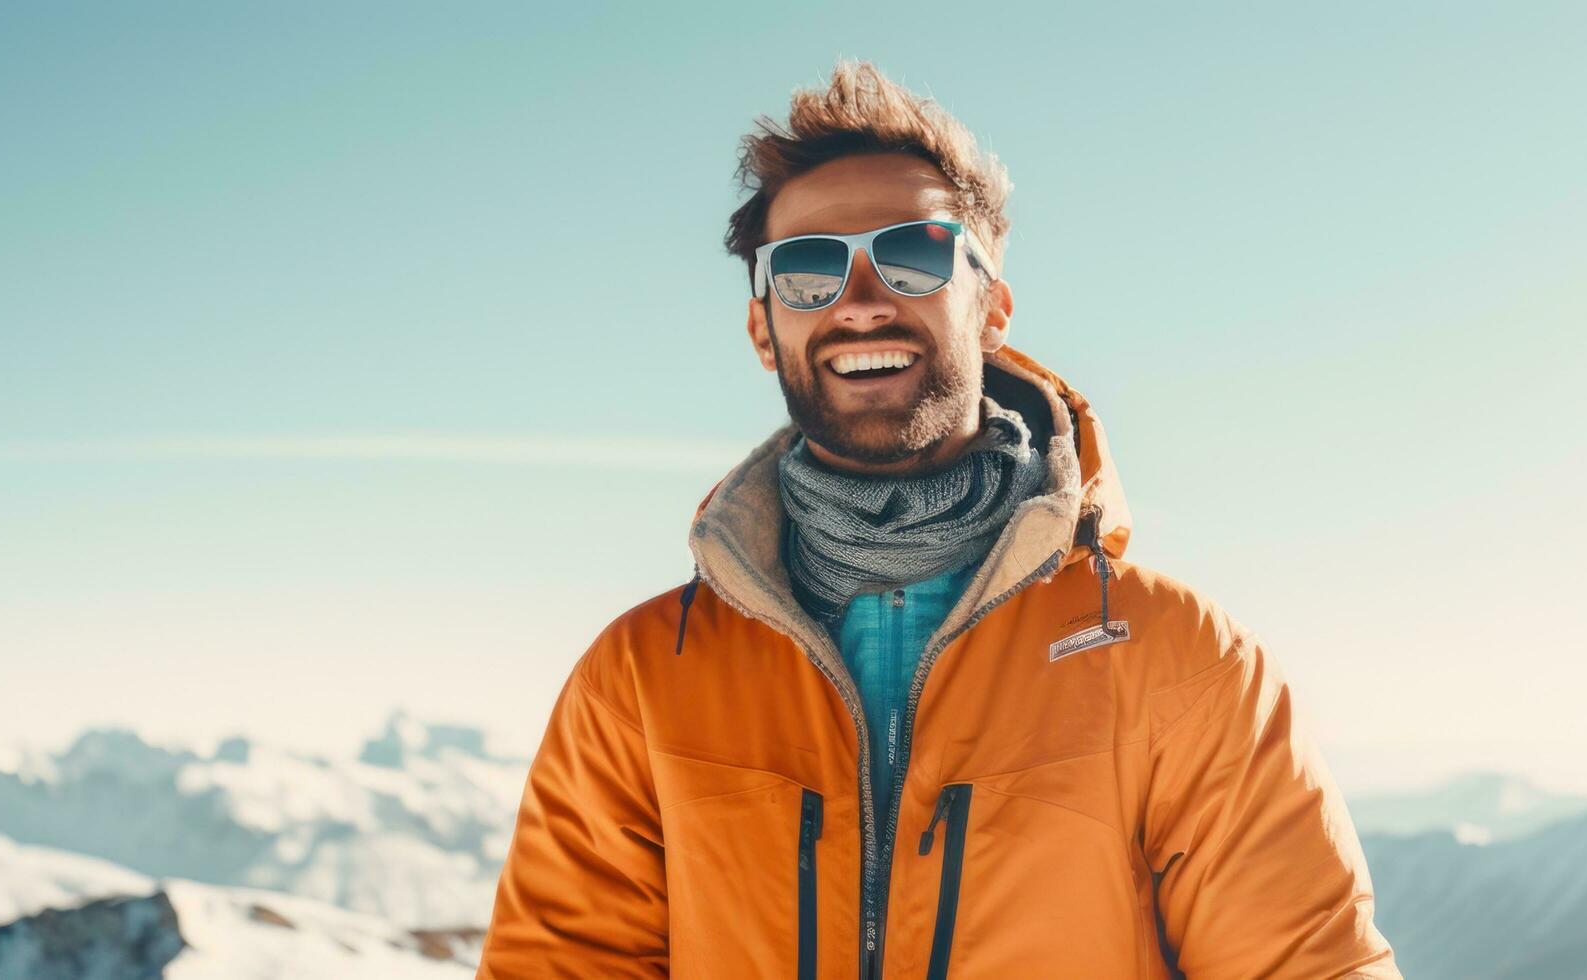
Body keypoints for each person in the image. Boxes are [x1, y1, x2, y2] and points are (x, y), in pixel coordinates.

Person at [479, 59, 1398, 979]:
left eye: (915, 256)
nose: (862, 300)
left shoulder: (1176, 661)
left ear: (991, 307)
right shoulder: (640, 681)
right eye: (806, 270)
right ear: (764, 330)